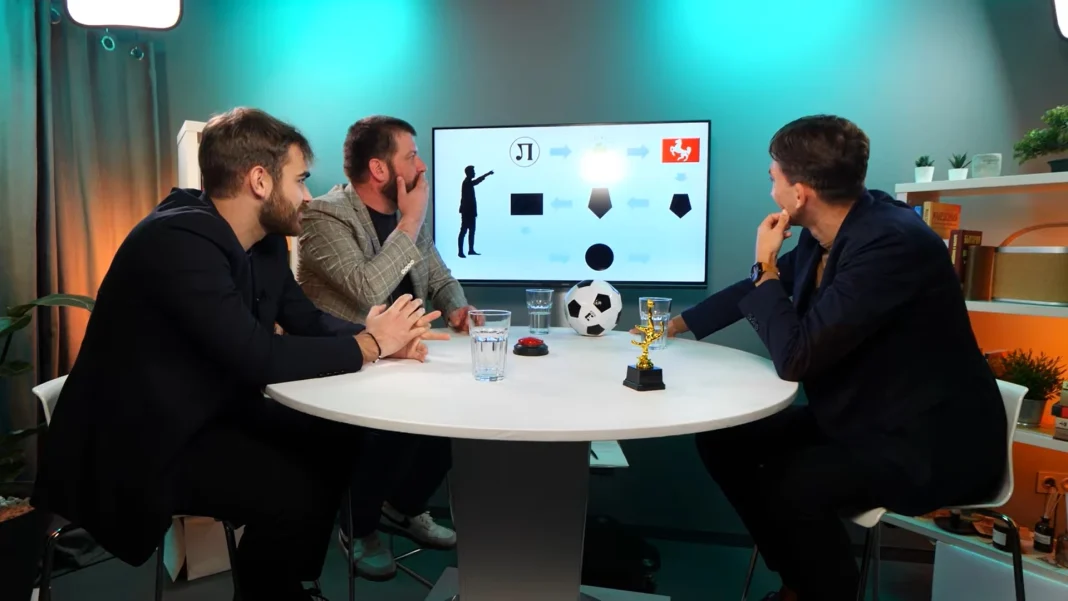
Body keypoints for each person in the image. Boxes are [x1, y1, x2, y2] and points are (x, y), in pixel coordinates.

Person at [31, 107, 447, 601]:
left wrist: (380, 340)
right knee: (291, 486)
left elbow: (307, 319)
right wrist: (369, 346)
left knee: (336, 439)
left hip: (205, 412)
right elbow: (256, 357)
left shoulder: (263, 244)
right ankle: (273, 589)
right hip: (144, 441)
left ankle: (285, 583)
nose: (307, 196)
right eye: (299, 180)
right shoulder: (176, 240)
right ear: (259, 180)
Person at [663, 115, 1006, 601]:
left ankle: (825, 592)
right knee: (724, 442)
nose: (771, 190)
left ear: (799, 194)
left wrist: (764, 263)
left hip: (928, 441)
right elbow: (757, 289)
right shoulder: (827, 231)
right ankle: (800, 580)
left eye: (773, 178)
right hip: (861, 414)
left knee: (793, 485)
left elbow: (796, 358)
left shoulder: (892, 243)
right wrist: (673, 325)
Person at [297, 115, 473, 580]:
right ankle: (358, 527)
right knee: (381, 436)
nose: (421, 165)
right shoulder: (324, 216)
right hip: (346, 363)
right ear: (379, 169)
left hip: (403, 357)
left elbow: (436, 273)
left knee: (448, 424)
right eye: (411, 156)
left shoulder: (404, 214)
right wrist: (411, 220)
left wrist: (458, 307)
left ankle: (402, 508)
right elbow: (366, 288)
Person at [457, 164, 493, 257]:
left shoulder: (468, 182)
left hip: (470, 212)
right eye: (473, 172)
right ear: (469, 173)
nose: (474, 173)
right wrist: (487, 174)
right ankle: (461, 251)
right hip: (467, 212)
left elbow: (476, 181)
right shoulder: (467, 183)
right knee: (464, 231)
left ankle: (470, 250)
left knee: (471, 231)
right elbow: (477, 181)